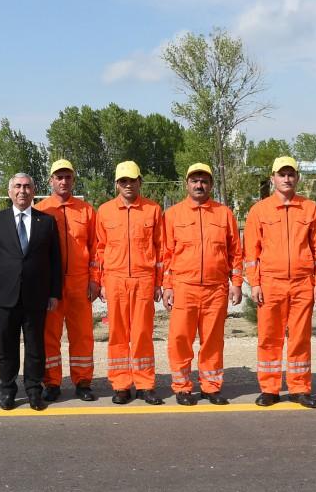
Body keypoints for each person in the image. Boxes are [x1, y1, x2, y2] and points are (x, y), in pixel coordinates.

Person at [244, 156, 316, 409]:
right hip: (271, 283)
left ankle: (299, 388)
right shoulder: (259, 210)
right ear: (273, 178)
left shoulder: (311, 209)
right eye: (282, 174)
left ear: (297, 178)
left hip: (303, 283)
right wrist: (255, 283)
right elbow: (251, 252)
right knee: (269, 338)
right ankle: (269, 389)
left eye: (291, 174)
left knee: (300, 338)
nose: (287, 179)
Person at [162, 163, 243, 406]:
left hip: (216, 288)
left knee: (213, 340)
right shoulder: (173, 215)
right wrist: (167, 286)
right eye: (195, 180)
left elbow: (235, 253)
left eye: (204, 181)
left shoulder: (224, 214)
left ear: (211, 184)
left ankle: (210, 386)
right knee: (180, 339)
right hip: (184, 286)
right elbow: (166, 254)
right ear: (186, 184)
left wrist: (236, 283)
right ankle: (183, 387)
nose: (199, 185)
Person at [0, 173, 62, 411]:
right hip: (4, 295)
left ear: (34, 191)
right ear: (10, 192)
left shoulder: (46, 222)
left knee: (35, 347)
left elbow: (55, 261)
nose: (22, 191)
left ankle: (34, 390)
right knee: (6, 348)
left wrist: (53, 293)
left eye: (27, 186)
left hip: (36, 295)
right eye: (17, 186)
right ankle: (8, 390)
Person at [95, 161, 165, 405]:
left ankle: (145, 384)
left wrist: (158, 283)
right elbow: (100, 250)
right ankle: (121, 384)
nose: (128, 185)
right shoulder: (104, 211)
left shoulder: (153, 210)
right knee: (118, 333)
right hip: (115, 280)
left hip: (144, 279)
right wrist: (101, 281)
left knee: (143, 333)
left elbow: (160, 249)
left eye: (132, 180)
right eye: (123, 181)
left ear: (139, 182)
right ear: (116, 184)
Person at [34, 159, 99, 402]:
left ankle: (83, 382)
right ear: (50, 180)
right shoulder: (40, 210)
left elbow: (96, 248)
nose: (63, 181)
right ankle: (51, 382)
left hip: (80, 283)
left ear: (73, 180)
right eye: (58, 177)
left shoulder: (87, 211)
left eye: (68, 177)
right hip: (50, 285)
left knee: (82, 335)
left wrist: (95, 280)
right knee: (49, 335)